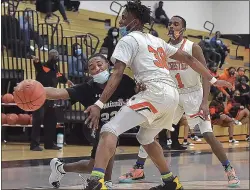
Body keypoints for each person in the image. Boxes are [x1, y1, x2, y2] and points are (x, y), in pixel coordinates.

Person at [84, 1, 232, 189]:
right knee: (145, 137)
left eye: (124, 16)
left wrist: (99, 103)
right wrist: (212, 80)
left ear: (134, 20)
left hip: (155, 92)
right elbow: (188, 59)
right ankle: (171, 182)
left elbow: (117, 73)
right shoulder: (158, 41)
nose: (121, 20)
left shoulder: (128, 40)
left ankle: (97, 181)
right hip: (172, 95)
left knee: (109, 129)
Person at [118, 15, 239, 188]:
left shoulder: (192, 47)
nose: (172, 26)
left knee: (208, 135)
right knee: (150, 130)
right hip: (173, 94)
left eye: (176, 24)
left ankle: (229, 170)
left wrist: (205, 102)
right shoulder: (162, 47)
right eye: (170, 23)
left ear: (183, 28)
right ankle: (138, 168)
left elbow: (205, 74)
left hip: (194, 94)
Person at [47, 53, 144, 189]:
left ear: (109, 66)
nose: (97, 68)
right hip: (93, 127)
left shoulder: (123, 81)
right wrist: (36, 89)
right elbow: (57, 93)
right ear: (89, 72)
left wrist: (140, 88)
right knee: (109, 139)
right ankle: (107, 182)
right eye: (92, 67)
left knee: (93, 165)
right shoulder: (86, 88)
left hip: (113, 126)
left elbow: (137, 92)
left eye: (100, 64)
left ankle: (60, 168)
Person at [30, 49, 73, 151]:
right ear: (49, 56)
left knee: (51, 121)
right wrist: (36, 61)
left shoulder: (55, 68)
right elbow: (38, 67)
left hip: (51, 98)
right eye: (53, 55)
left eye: (57, 55)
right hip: (39, 96)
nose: (55, 57)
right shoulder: (44, 66)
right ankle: (34, 144)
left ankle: (49, 144)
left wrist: (67, 81)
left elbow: (59, 75)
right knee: (38, 120)